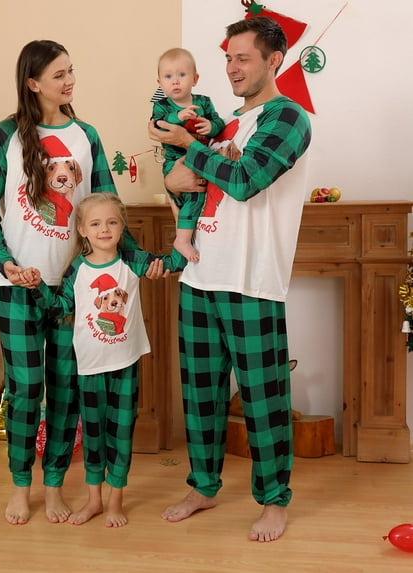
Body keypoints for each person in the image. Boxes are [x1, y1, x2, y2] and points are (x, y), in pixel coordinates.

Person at [148, 16, 312, 542]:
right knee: (201, 395)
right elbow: (186, 185)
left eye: (243, 58)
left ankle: (274, 501)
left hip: (251, 281)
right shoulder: (223, 126)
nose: (232, 67)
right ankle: (203, 486)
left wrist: (186, 148)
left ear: (273, 60)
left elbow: (244, 180)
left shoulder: (288, 118)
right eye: (227, 58)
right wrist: (173, 176)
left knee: (263, 398)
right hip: (200, 274)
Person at [0, 40, 143, 526]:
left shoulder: (86, 136)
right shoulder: (6, 134)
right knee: (26, 390)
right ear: (33, 83)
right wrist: (6, 262)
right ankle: (20, 487)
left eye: (71, 71)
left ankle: (53, 488)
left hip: (74, 289)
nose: (69, 81)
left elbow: (110, 208)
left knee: (66, 392)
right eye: (58, 74)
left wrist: (148, 261)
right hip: (17, 287)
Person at [27, 192, 186, 527]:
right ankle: (94, 501)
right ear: (82, 230)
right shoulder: (77, 269)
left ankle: (115, 502)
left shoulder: (132, 261)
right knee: (95, 436)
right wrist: (38, 286)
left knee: (121, 434)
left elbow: (174, 263)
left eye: (112, 222)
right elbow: (60, 308)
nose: (104, 229)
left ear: (122, 227)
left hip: (125, 366)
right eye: (96, 223)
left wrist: (183, 223)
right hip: (89, 367)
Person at [152, 48, 225, 262]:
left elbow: (219, 123)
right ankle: (182, 240)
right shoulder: (162, 106)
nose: (175, 81)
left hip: (200, 160)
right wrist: (178, 116)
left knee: (201, 194)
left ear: (195, 79)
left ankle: (194, 237)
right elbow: (158, 124)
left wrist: (211, 126)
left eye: (182, 75)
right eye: (168, 76)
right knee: (192, 194)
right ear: (160, 82)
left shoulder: (204, 102)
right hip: (175, 161)